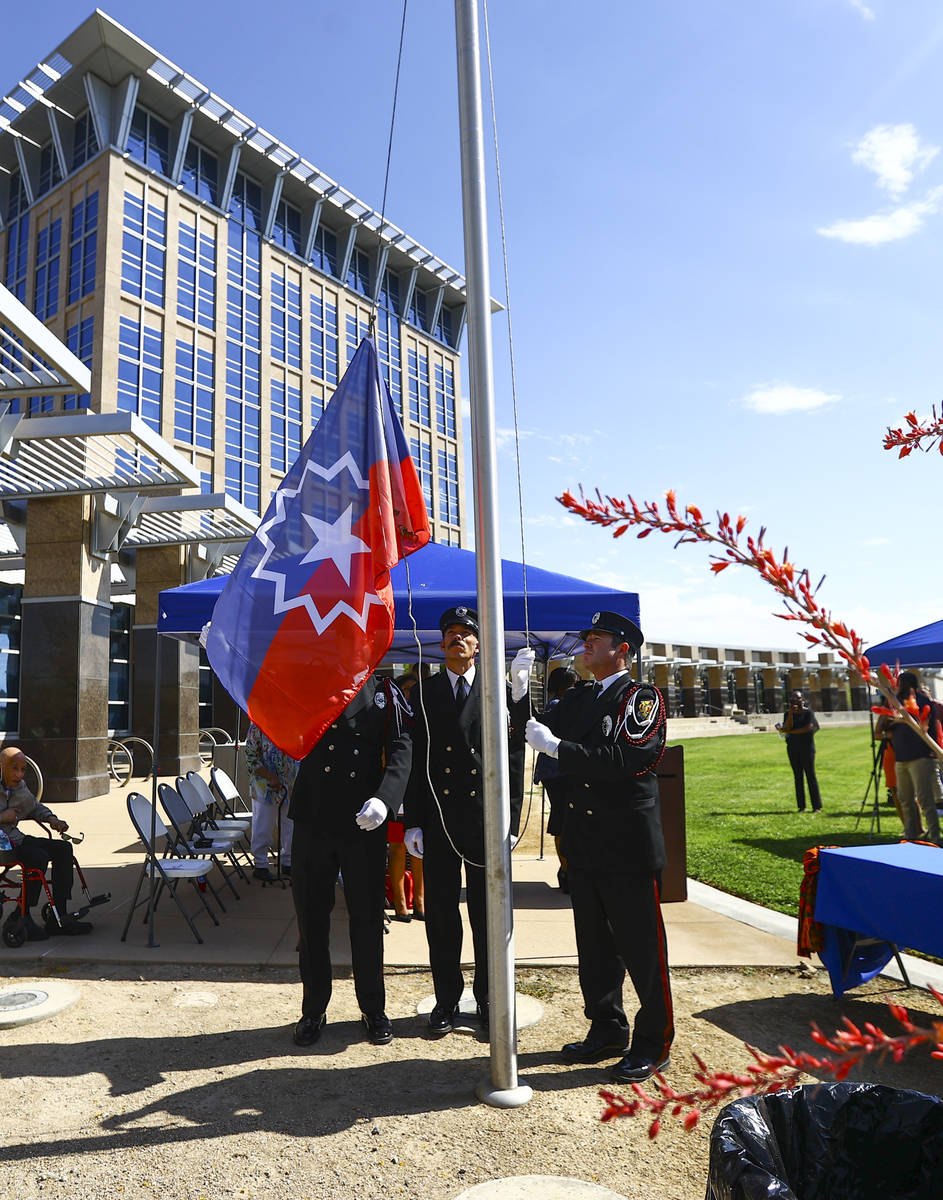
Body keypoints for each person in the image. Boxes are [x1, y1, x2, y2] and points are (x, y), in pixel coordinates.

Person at [524, 611, 673, 1085]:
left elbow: (626, 759)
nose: (586, 644)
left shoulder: (641, 698)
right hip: (585, 844)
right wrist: (515, 692)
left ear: (622, 649)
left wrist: (559, 750)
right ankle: (606, 1029)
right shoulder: (582, 698)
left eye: (597, 638)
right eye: (587, 638)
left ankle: (654, 1042)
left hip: (626, 846)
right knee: (595, 948)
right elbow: (531, 729)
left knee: (642, 949)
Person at [404, 606, 532, 1035]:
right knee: (441, 913)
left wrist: (511, 819)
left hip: (485, 820)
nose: (457, 638)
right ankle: (446, 999)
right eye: (450, 633)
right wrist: (413, 822)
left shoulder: (496, 690)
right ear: (442, 645)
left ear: (479, 645)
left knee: (486, 913)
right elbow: (415, 762)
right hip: (440, 817)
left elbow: (514, 755)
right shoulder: (424, 692)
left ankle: (489, 997)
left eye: (465, 633)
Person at [288, 673, 412, 1048]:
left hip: (363, 816)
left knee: (368, 918)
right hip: (315, 815)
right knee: (311, 918)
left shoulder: (385, 691)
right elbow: (272, 714)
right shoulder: (307, 682)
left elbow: (403, 746)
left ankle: (372, 1007)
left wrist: (386, 798)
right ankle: (313, 1010)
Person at [0, 746, 91, 938]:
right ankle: (20, 915)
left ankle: (59, 915)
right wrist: (2, 817)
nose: (19, 774)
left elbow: (33, 806)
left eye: (23, 769)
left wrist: (52, 819)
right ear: (1, 766)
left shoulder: (19, 786)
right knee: (37, 858)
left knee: (63, 848)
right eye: (13, 768)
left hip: (16, 840)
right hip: (2, 846)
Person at [534, 665, 580, 892]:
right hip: (558, 772)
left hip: (559, 771)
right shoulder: (558, 706)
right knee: (562, 821)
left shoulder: (560, 704)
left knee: (563, 820)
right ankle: (566, 870)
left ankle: (567, 870)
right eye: (572, 686)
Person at [387, 672, 424, 923]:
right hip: (396, 790)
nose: (409, 695)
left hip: (421, 791)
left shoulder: (425, 717)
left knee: (421, 848)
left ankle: (421, 901)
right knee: (398, 847)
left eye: (414, 690)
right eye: (405, 690)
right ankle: (400, 903)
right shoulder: (391, 717)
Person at [889, 671, 942, 844]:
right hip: (901, 757)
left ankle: (935, 837)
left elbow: (927, 726)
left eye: (900, 683)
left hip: (920, 757)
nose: (898, 686)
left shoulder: (921, 701)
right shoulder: (894, 702)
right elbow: (885, 725)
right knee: (905, 799)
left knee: (925, 799)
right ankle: (910, 836)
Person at [244, 723, 299, 882]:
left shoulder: (293, 723)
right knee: (263, 825)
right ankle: (261, 865)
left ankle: (288, 862)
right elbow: (251, 757)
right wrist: (270, 776)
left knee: (289, 825)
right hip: (264, 786)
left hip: (289, 784)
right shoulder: (257, 726)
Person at [778, 691, 822, 813]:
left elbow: (809, 728)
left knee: (810, 776)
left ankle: (816, 806)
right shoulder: (788, 713)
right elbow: (786, 728)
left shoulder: (808, 712)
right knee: (798, 777)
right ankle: (801, 806)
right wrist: (791, 713)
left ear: (802, 700)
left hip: (807, 748)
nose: (795, 702)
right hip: (793, 748)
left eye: (797, 699)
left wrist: (791, 732)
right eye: (793, 699)